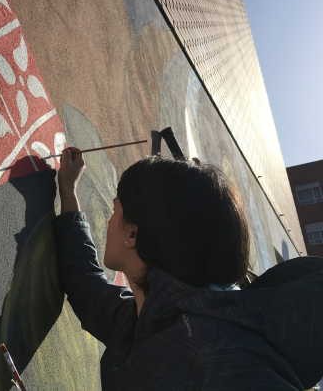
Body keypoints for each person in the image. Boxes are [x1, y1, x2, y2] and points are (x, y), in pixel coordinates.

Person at [55, 147, 323, 390]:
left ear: (133, 234)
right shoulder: (157, 317)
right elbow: (88, 290)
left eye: (115, 210)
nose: (110, 220)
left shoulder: (214, 362)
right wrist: (68, 191)